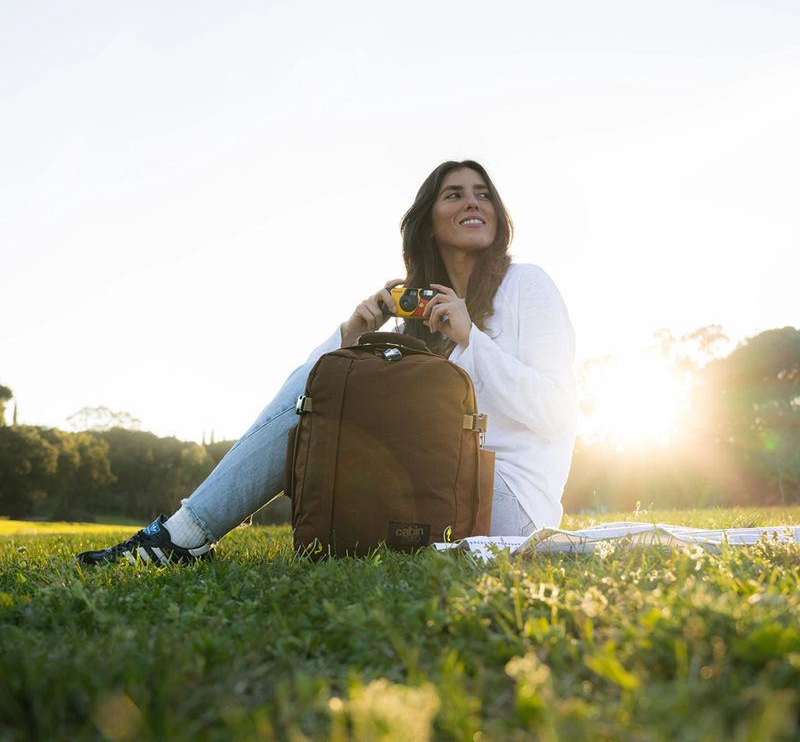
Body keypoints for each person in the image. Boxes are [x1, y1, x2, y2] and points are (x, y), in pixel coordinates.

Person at [78, 160, 577, 565]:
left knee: (316, 401)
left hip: (508, 508)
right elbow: (314, 400)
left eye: (483, 193)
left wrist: (471, 339)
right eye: (454, 193)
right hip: (431, 492)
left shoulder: (526, 286)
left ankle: (179, 538)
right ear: (428, 220)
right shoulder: (422, 322)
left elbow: (557, 412)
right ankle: (181, 538)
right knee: (320, 397)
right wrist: (352, 336)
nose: (473, 200)